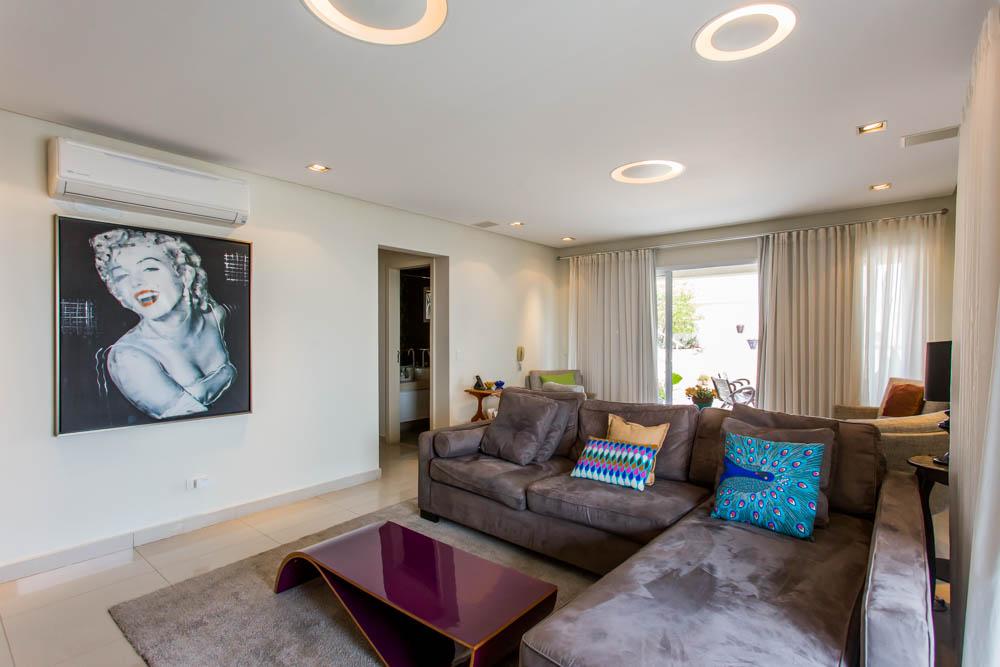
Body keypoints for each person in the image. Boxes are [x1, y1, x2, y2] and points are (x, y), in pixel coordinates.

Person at [91, 228, 236, 419]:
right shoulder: (127, 356)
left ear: (185, 274)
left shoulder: (218, 316)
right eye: (121, 276)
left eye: (149, 269)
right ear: (117, 293)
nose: (136, 283)